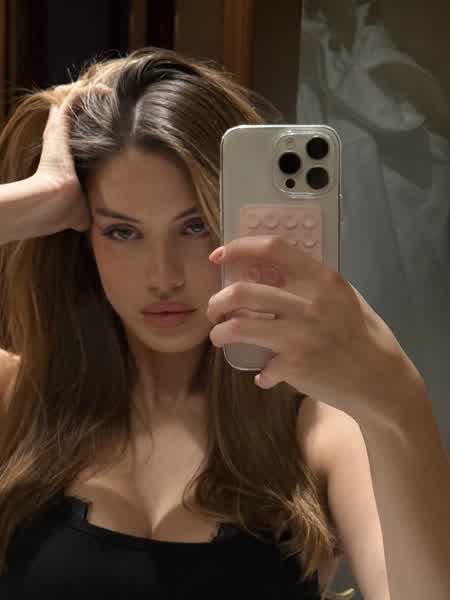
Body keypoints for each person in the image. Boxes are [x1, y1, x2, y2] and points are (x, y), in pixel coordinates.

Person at [0, 47, 448, 599]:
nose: (163, 276)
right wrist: (34, 200)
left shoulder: (321, 430)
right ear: (83, 240)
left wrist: (399, 402)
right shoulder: (16, 402)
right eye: (122, 231)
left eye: (195, 227)